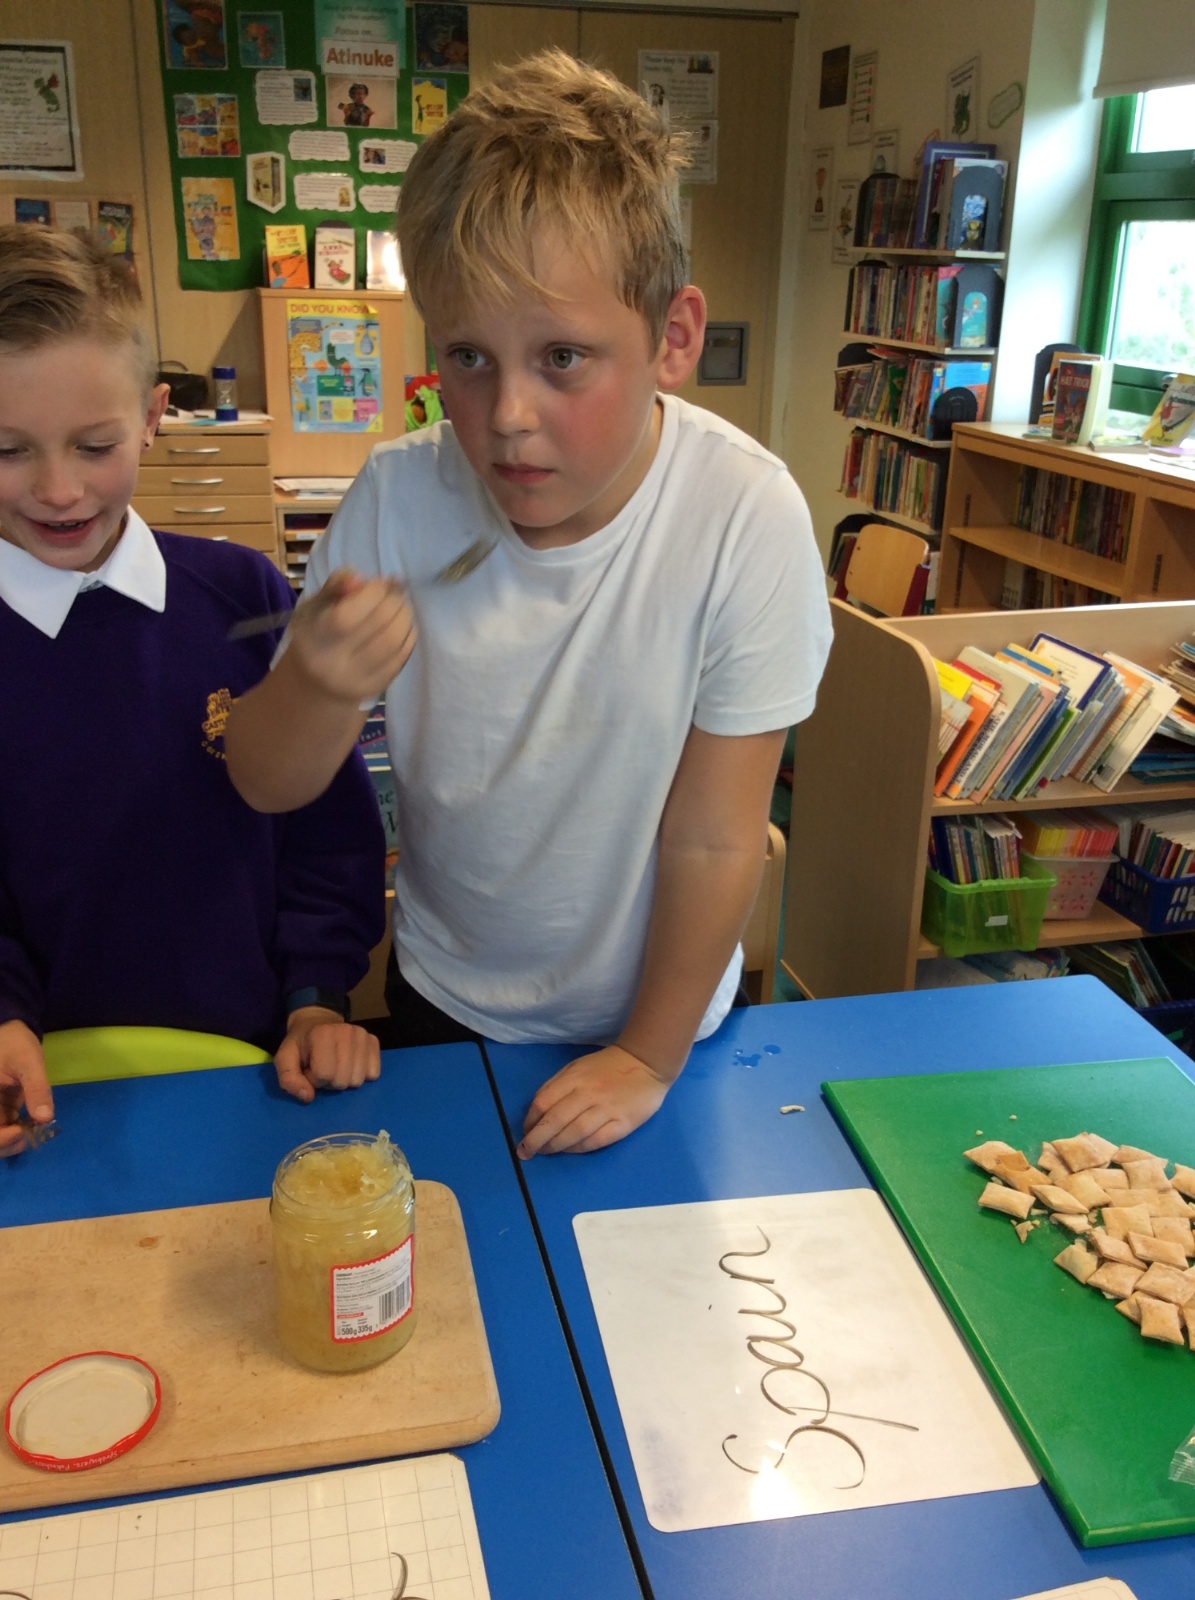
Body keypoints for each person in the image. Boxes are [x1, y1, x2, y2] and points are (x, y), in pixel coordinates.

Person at [225, 51, 832, 1159]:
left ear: (673, 339)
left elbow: (715, 834)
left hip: (663, 1022)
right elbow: (266, 781)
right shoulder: (396, 496)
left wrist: (647, 1054)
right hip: (448, 998)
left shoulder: (744, 514)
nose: (506, 414)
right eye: (467, 356)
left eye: (562, 358)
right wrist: (315, 681)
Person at [0, 225, 387, 1157]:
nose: (59, 488)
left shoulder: (241, 593)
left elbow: (324, 830)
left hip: (254, 1073)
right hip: (40, 1093)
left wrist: (314, 1000)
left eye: (95, 444)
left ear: (151, 416)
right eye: (8, 450)